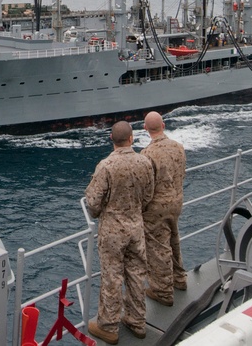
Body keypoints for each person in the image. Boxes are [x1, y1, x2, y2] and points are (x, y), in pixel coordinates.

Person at [85, 121, 154, 344]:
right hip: (136, 227)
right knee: (136, 274)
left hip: (113, 231)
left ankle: (108, 326)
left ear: (111, 140)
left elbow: (93, 203)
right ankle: (137, 322)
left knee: (112, 277)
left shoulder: (106, 166)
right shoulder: (144, 162)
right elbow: (148, 196)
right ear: (131, 138)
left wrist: (101, 211)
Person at [140, 111, 187, 306]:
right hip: (176, 202)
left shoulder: (146, 154)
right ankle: (180, 279)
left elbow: (145, 188)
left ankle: (162, 291)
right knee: (174, 240)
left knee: (158, 249)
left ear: (145, 129)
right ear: (163, 125)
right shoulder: (179, 147)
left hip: (156, 209)